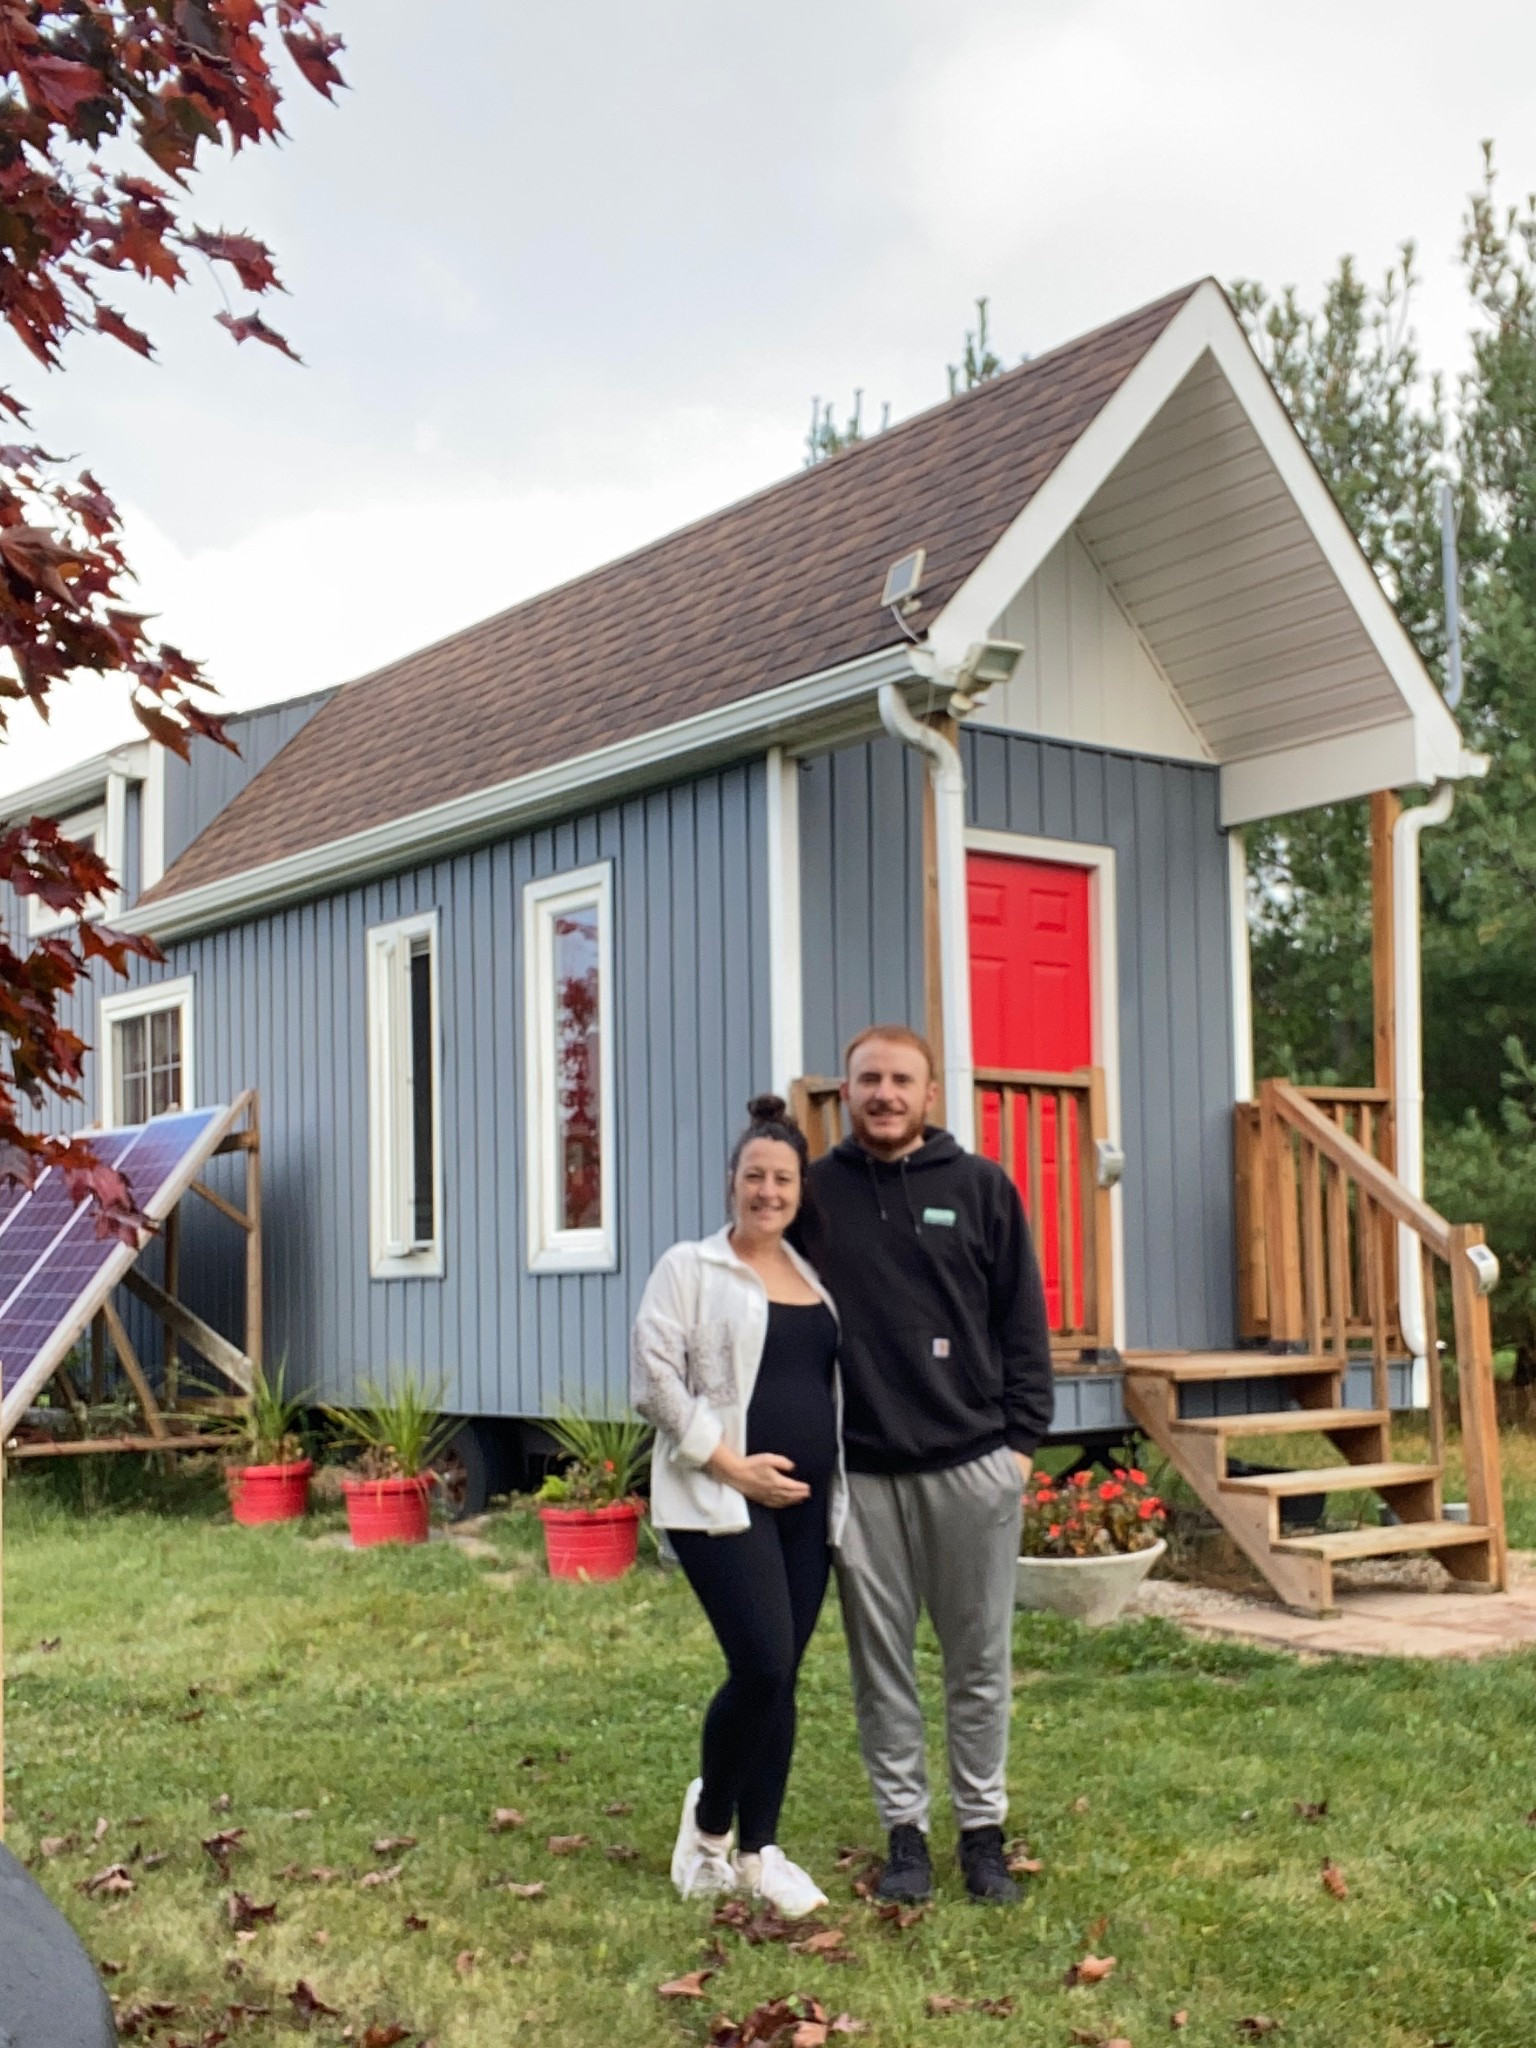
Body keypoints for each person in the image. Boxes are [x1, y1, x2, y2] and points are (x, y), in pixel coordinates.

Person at [794, 1025, 1053, 1906]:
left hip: (973, 1464)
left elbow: (1024, 1322)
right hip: (860, 1475)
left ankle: (983, 1834)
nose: (885, 1094)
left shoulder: (981, 1189)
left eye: (902, 1080)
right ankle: (904, 1834)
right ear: (848, 1090)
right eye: (869, 1078)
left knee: (979, 1659)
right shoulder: (813, 1196)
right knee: (882, 1665)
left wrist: (1019, 1447)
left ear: (930, 1093)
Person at [631, 1093, 847, 1918]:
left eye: (783, 1178)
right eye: (754, 1175)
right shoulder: (690, 1267)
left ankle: (760, 1853)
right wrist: (730, 1466)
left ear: (800, 1190)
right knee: (759, 1662)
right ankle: (710, 1825)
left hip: (808, 1507)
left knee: (782, 1677)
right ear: (732, 1182)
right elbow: (654, 1380)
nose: (768, 1190)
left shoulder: (815, 1282)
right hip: (718, 1500)